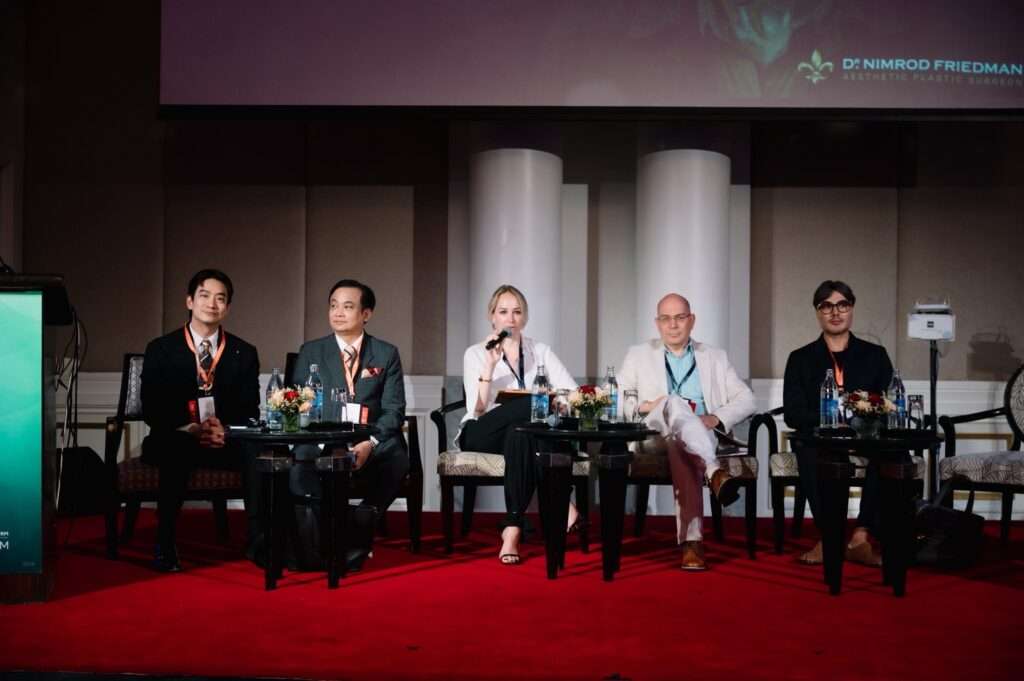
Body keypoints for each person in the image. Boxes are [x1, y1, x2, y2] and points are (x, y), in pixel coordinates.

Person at [618, 293, 755, 571]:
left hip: (700, 433)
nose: (673, 325)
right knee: (673, 402)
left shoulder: (715, 357)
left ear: (691, 320)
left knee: (682, 443)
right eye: (666, 319)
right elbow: (616, 399)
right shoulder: (638, 354)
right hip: (654, 433)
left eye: (680, 317)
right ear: (657, 323)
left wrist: (716, 417)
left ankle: (692, 542)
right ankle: (713, 472)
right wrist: (649, 405)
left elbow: (748, 399)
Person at [140, 269, 261, 572]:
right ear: (190, 301)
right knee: (177, 448)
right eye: (205, 296)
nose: (212, 304)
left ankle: (259, 541)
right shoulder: (161, 349)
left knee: (258, 451)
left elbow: (251, 410)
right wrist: (192, 428)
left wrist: (226, 431)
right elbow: (152, 408)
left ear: (227, 308)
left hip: (223, 441)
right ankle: (165, 543)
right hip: (175, 437)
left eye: (220, 299)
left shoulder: (244, 352)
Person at [291, 279, 409, 572]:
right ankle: (318, 542)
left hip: (368, 439)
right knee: (300, 459)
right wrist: (325, 442)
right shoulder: (311, 351)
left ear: (366, 314)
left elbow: (394, 410)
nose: (338, 312)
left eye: (347, 306)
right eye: (333, 306)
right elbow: (298, 405)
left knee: (396, 454)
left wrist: (369, 444)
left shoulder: (386, 353)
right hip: (324, 439)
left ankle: (363, 519)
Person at [460, 284, 577, 565]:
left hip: (521, 435)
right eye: (503, 312)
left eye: (517, 312)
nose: (510, 319)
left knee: (520, 432)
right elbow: (477, 408)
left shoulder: (541, 351)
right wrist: (489, 366)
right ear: (492, 316)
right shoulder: (476, 353)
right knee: (534, 405)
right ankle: (564, 503)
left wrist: (557, 401)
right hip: (482, 432)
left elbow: (572, 393)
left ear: (524, 317)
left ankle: (512, 529)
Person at [783, 280, 894, 567]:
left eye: (842, 305)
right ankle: (829, 537)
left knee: (893, 453)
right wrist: (835, 416)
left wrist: (860, 418)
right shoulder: (800, 359)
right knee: (807, 449)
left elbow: (888, 405)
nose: (835, 312)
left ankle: (860, 537)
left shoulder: (875, 355)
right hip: (820, 438)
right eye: (827, 306)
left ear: (852, 309)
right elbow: (793, 414)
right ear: (817, 312)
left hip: (865, 436)